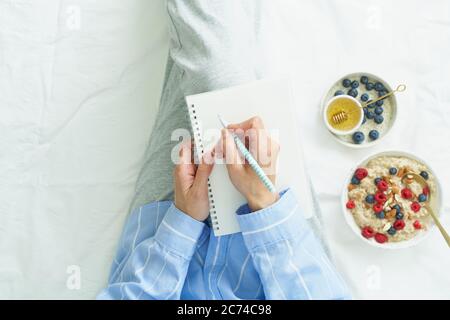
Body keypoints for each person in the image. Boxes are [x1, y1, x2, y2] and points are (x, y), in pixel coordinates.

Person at [97, 0, 351, 300]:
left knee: (211, 57)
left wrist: (184, 219)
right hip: (278, 245)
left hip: (161, 243)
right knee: (218, 62)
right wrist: (263, 201)